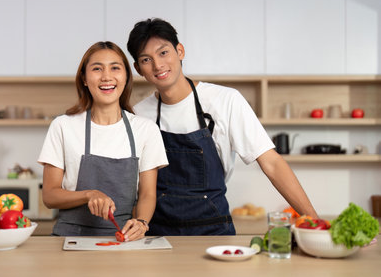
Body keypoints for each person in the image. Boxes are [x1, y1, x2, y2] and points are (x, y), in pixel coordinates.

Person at [127, 18, 318, 236]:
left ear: (180, 51)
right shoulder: (138, 114)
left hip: (213, 232)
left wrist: (314, 221)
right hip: (157, 235)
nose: (158, 65)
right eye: (146, 59)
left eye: (163, 53)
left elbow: (272, 163)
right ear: (138, 68)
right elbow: (135, 187)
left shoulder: (225, 100)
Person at [38, 41, 168, 241]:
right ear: (84, 78)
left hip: (122, 239)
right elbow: (49, 195)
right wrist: (89, 194)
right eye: (97, 68)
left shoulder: (146, 130)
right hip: (69, 239)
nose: (107, 76)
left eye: (115, 68)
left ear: (126, 76)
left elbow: (147, 194)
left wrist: (141, 222)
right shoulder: (63, 126)